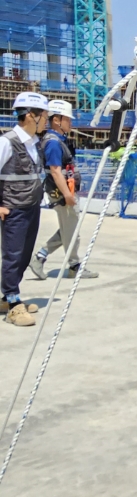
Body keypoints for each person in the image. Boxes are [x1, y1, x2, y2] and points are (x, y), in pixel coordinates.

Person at [29, 99, 97, 280]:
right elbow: (55, 170)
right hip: (61, 193)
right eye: (68, 119)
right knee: (72, 231)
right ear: (57, 120)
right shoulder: (53, 143)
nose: (71, 123)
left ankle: (40, 256)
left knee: (69, 228)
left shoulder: (57, 140)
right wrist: (67, 194)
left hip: (64, 191)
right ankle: (74, 265)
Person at [0, 92, 49, 327]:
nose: (47, 120)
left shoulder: (34, 143)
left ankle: (10, 296)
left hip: (31, 206)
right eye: (45, 116)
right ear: (31, 116)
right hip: (13, 209)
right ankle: (13, 307)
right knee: (13, 255)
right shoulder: (7, 141)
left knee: (25, 254)